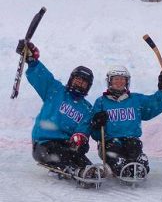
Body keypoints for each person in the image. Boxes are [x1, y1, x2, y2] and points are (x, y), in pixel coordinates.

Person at [16, 39, 100, 181]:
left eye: (84, 82)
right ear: (71, 80)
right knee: (59, 154)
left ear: (88, 86)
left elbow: (84, 129)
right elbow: (42, 77)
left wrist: (81, 139)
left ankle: (87, 170)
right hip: (43, 144)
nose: (79, 83)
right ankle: (75, 171)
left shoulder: (87, 109)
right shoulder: (55, 90)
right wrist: (31, 59)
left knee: (76, 156)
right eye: (77, 80)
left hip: (66, 146)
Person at [90, 65, 162, 179]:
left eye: (122, 79)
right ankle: (120, 166)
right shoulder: (101, 102)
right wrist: (96, 124)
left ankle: (139, 165)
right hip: (109, 143)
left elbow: (154, 104)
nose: (119, 82)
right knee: (115, 154)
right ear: (110, 81)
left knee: (134, 147)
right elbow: (95, 134)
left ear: (127, 82)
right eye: (116, 79)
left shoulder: (135, 100)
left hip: (131, 140)